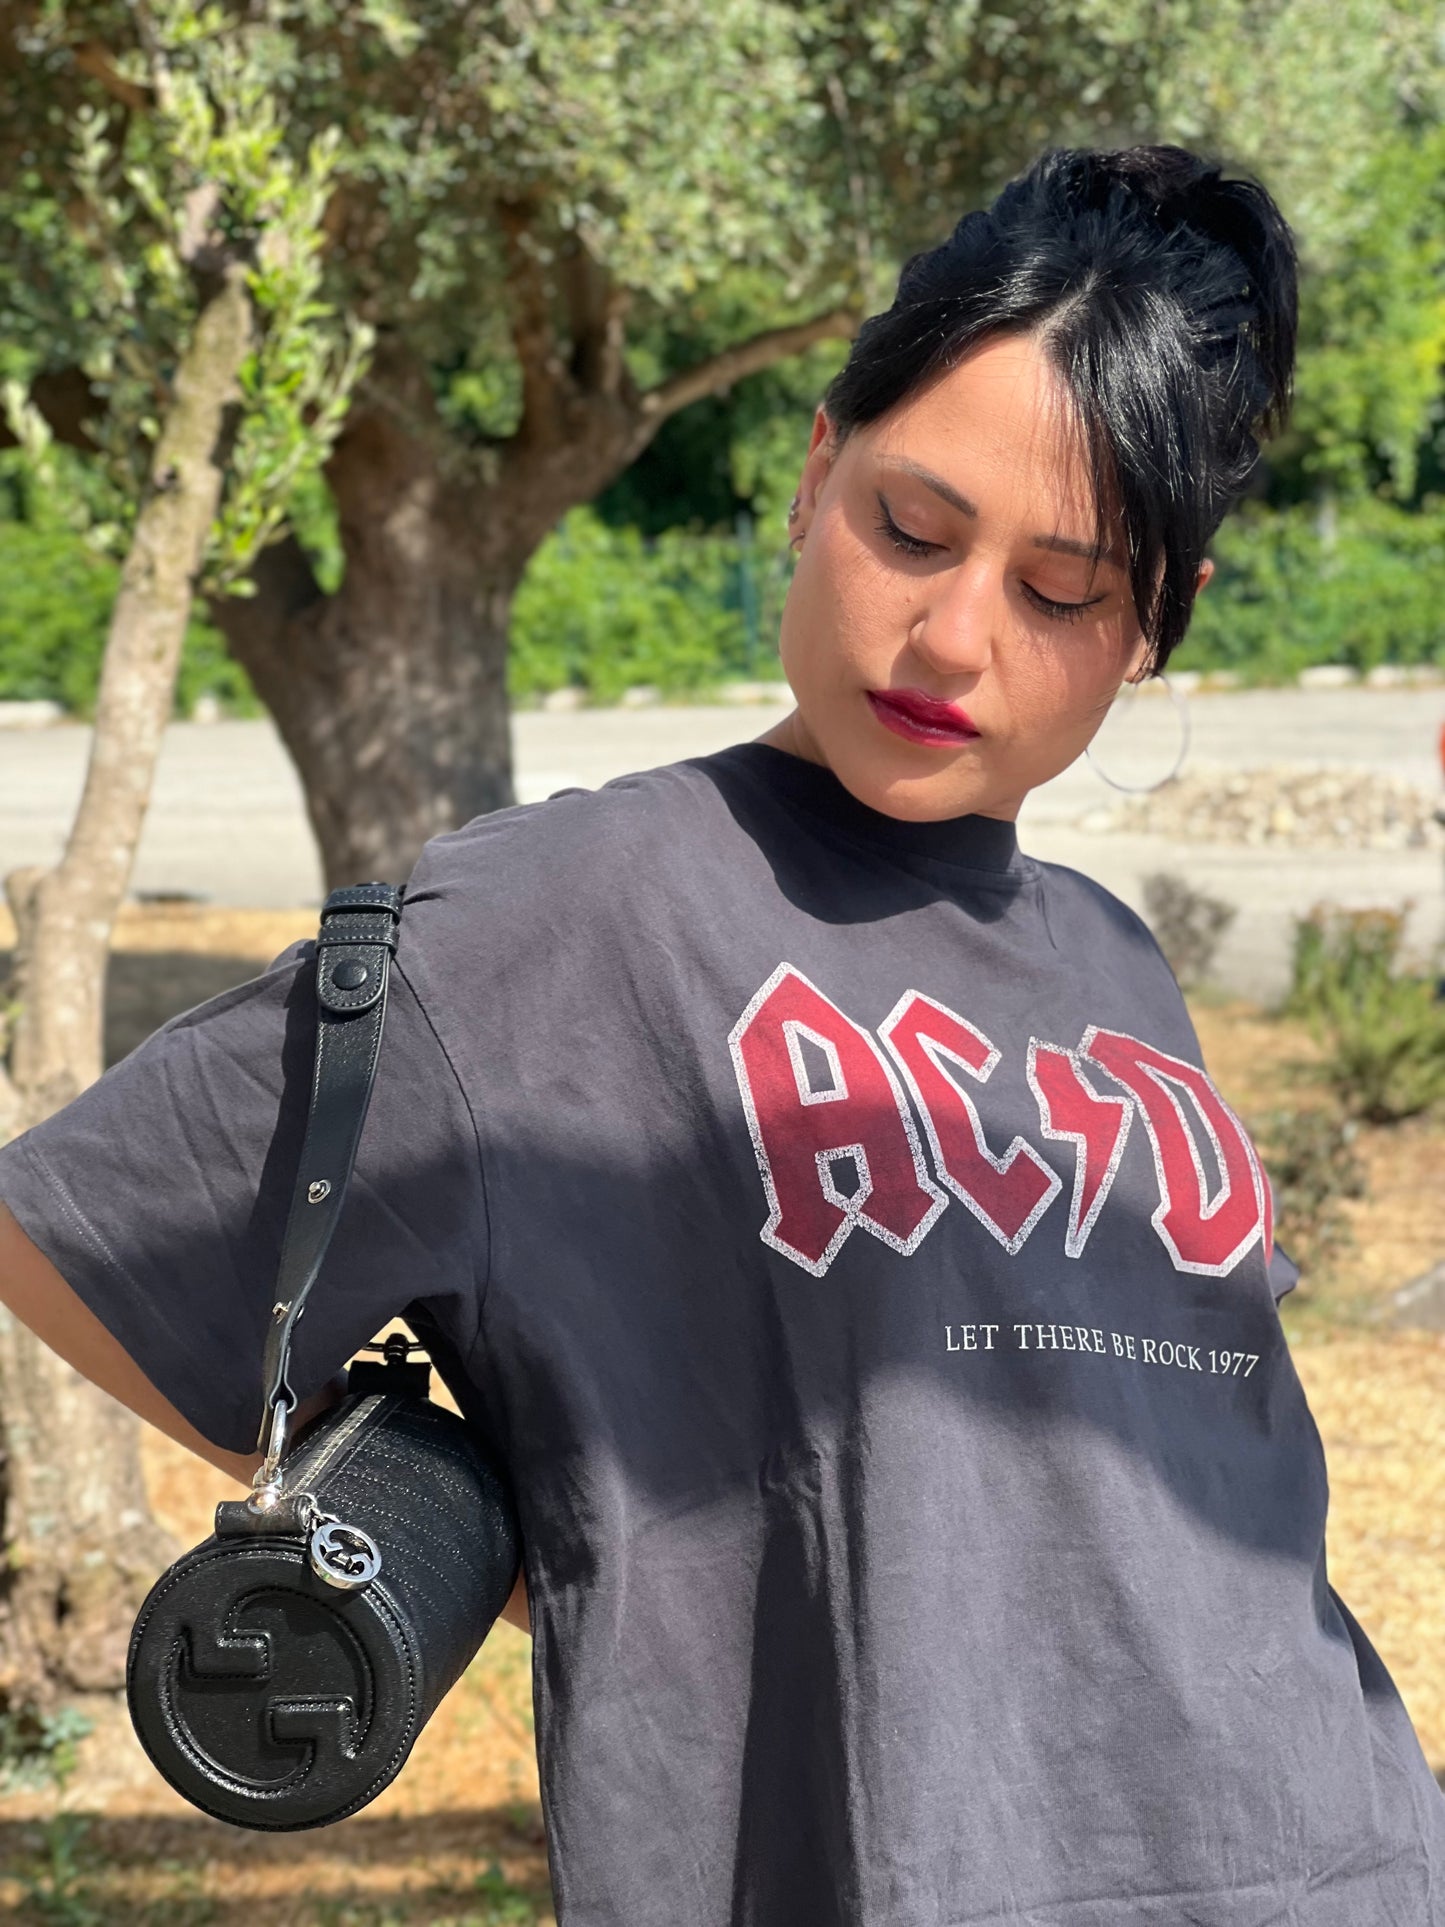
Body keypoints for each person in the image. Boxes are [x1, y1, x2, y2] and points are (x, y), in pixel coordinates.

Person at [2, 144, 1441, 1924]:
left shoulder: (1114, 958)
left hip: (1350, 1857)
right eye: (911, 528)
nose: (952, 634)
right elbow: (74, 1238)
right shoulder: (562, 915)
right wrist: (485, 1535)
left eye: (1062, 590)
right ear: (816, 472)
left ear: (1157, 622)